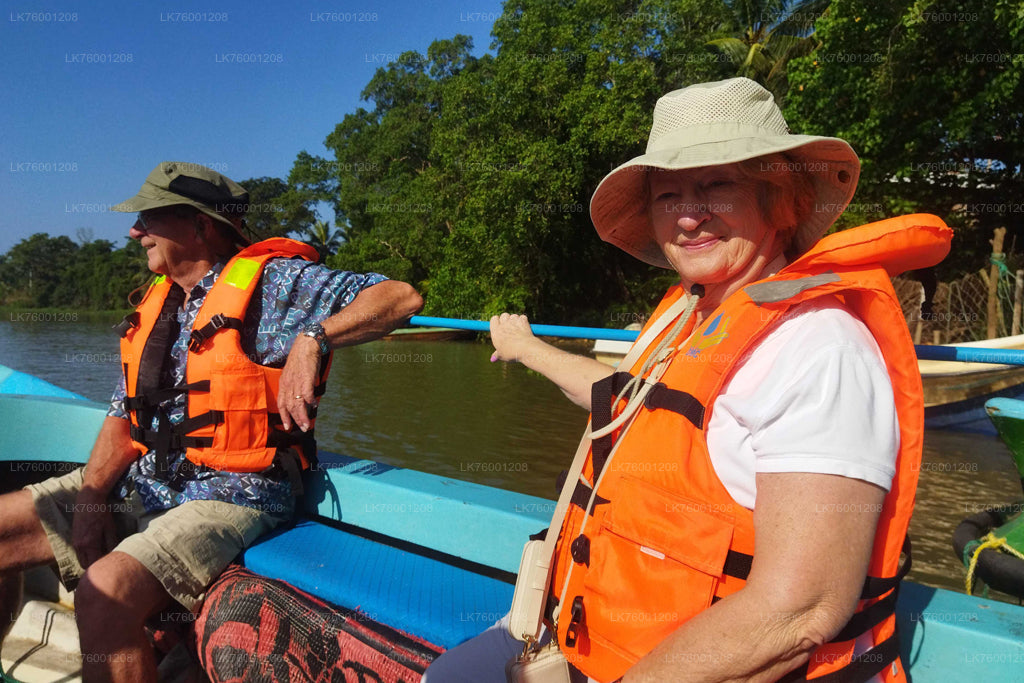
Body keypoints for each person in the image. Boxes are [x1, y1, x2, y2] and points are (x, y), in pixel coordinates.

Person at [425, 78, 951, 682]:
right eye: (668, 194)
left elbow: (799, 610)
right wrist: (524, 346)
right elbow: (618, 400)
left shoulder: (819, 348)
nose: (689, 214)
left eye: (717, 185)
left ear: (777, 198)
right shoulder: (691, 317)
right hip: (592, 639)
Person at [0, 162, 423, 683]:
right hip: (150, 482)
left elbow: (400, 297)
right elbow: (122, 415)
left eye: (149, 218)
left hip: (233, 492)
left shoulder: (275, 283)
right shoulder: (161, 301)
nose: (135, 232)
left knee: (104, 592)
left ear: (200, 225)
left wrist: (313, 338)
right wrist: (90, 502)